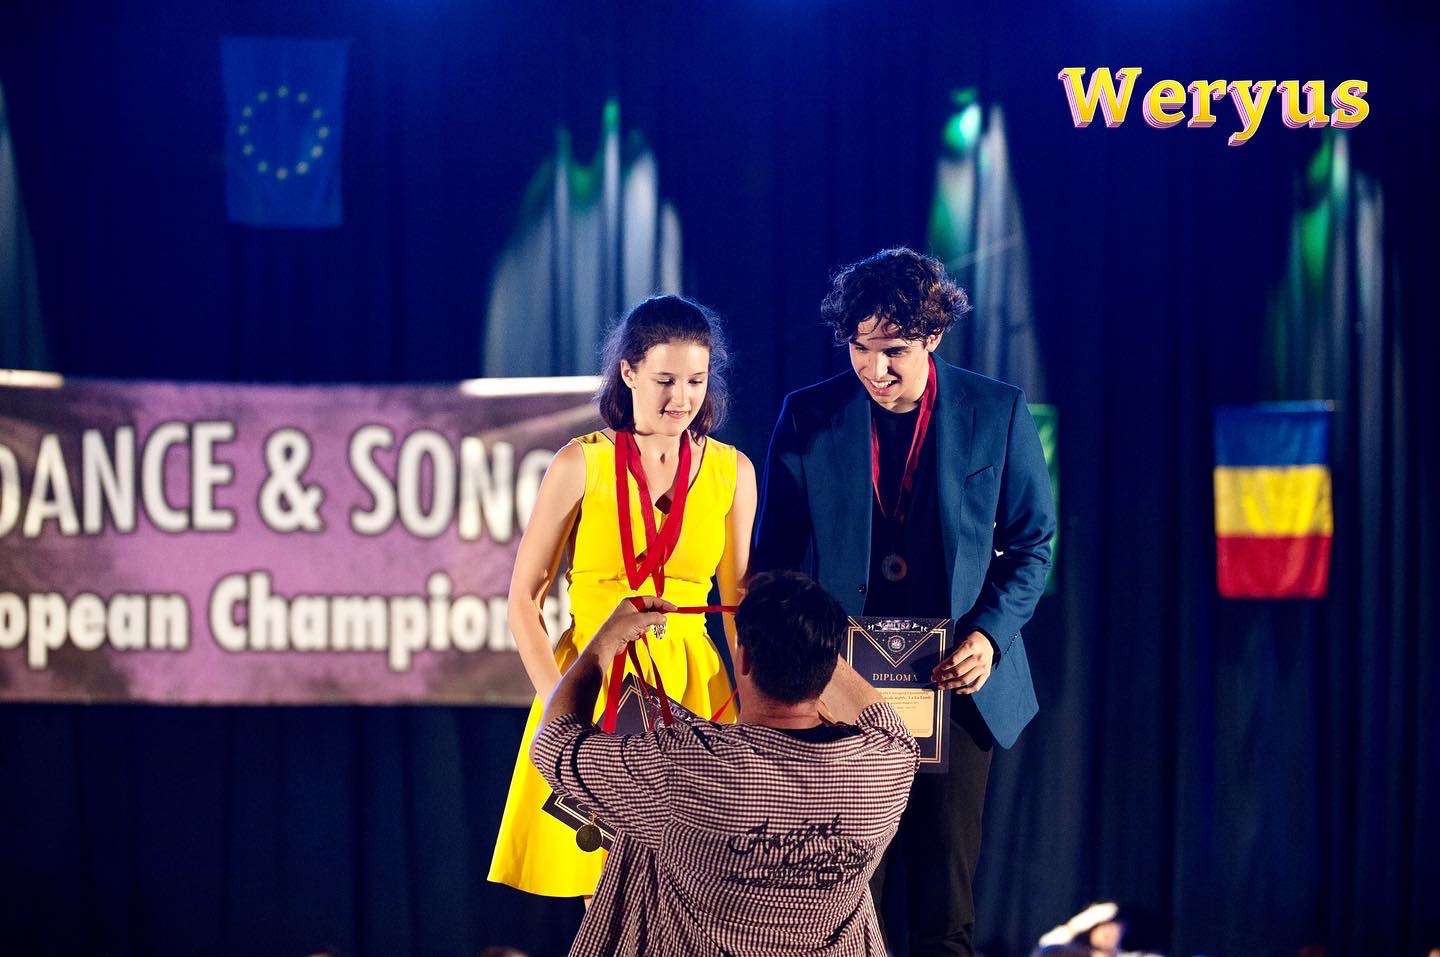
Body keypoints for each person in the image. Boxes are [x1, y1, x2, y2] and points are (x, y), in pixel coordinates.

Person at [752, 247, 1056, 955]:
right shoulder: (808, 414)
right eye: (859, 349)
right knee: (846, 902)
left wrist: (988, 637)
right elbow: (775, 564)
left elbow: (1032, 546)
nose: (874, 369)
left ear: (934, 336)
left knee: (943, 908)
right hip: (841, 687)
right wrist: (804, 663)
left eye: (892, 351)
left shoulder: (997, 409)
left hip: (957, 684)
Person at [488, 294, 757, 898]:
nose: (681, 398)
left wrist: (756, 705)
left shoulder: (733, 472)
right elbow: (523, 599)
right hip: (597, 682)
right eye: (665, 380)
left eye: (695, 381)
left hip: (695, 691)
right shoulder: (579, 463)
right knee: (602, 891)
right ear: (628, 372)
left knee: (697, 891)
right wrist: (560, 706)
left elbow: (740, 605)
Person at [530, 570, 920, 955]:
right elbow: (888, 723)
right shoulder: (886, 767)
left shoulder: (687, 767)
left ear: (744, 660)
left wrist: (603, 642)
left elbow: (553, 744)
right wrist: (810, 640)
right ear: (828, 662)